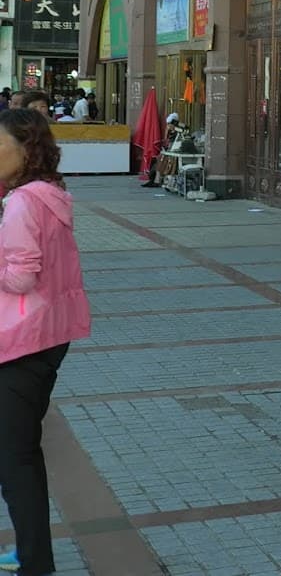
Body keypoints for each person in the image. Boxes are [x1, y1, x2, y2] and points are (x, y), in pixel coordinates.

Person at [0, 109, 90, 576]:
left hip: (19, 340)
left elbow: (19, 277)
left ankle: (35, 561)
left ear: (25, 150)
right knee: (21, 450)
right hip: (49, 336)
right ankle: (30, 550)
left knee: (13, 459)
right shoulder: (51, 193)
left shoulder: (21, 203)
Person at [141, 114, 184, 188]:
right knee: (156, 159)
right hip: (169, 151)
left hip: (174, 153)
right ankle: (153, 179)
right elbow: (167, 142)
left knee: (161, 159)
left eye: (169, 124)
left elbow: (176, 144)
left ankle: (156, 180)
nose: (168, 126)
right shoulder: (171, 132)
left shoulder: (179, 132)